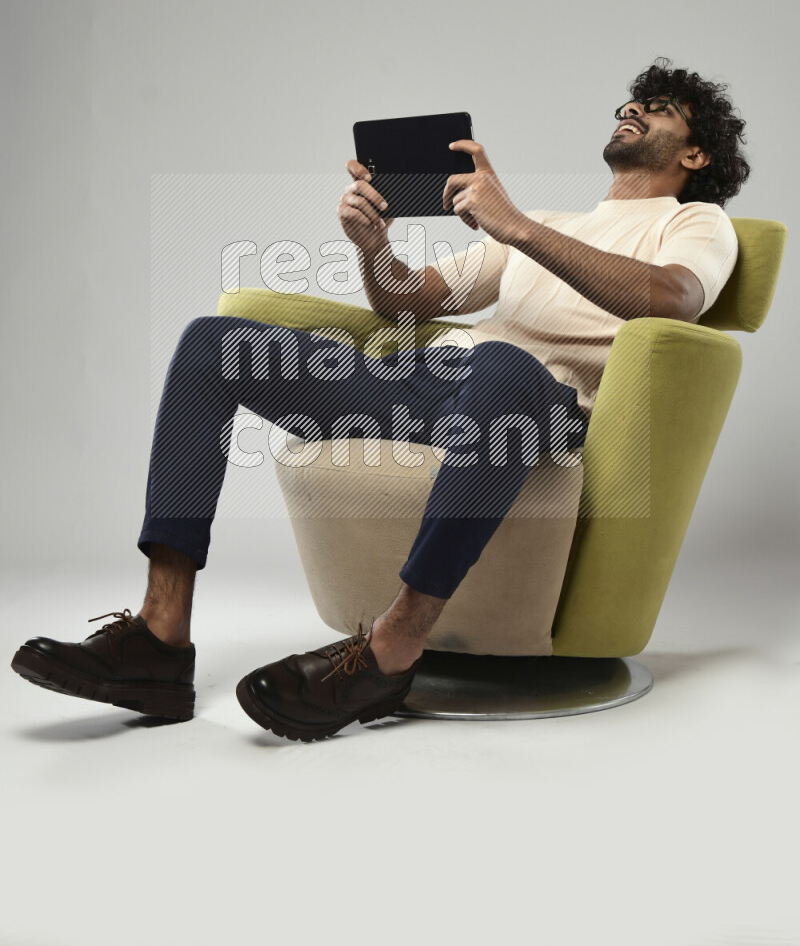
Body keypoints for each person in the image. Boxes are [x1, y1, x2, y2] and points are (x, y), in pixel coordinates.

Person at [11, 58, 751, 742]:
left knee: (497, 360)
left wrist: (514, 224)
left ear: (696, 153)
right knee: (213, 343)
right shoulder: (550, 224)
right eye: (630, 101)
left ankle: (392, 649)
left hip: (538, 409)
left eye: (656, 109)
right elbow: (411, 303)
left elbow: (673, 299)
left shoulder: (696, 224)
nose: (632, 110)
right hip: (434, 385)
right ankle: (160, 637)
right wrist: (374, 247)